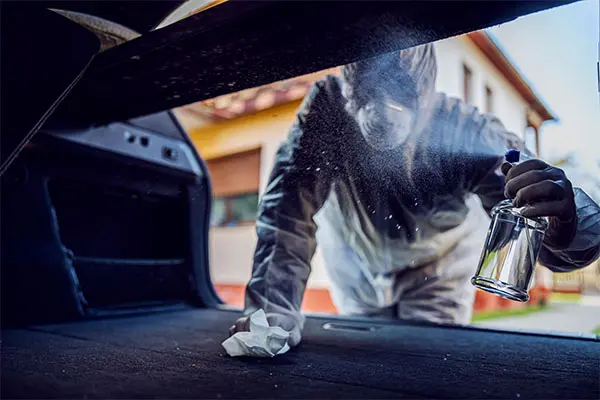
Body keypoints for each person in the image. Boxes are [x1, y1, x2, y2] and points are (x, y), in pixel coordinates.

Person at [229, 43, 600, 346]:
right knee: (362, 362)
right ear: (349, 83)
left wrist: (565, 223)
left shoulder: (464, 130)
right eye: (368, 89)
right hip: (356, 268)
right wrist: (270, 312)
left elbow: (535, 212)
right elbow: (285, 215)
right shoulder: (327, 111)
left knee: (428, 362)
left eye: (398, 86)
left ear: (423, 86)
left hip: (439, 273)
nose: (381, 108)